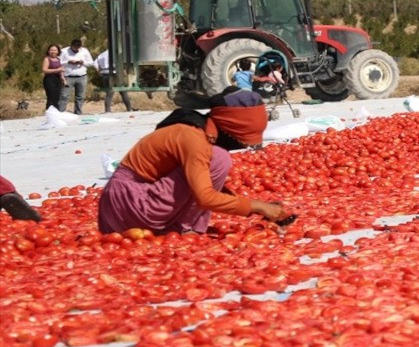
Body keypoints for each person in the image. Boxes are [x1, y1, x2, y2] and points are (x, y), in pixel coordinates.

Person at [97, 89, 289, 235]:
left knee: (214, 162)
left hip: (117, 209)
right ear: (227, 128)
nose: (239, 145)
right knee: (219, 159)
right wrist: (260, 207)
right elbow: (205, 197)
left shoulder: (195, 129)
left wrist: (253, 206)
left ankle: (181, 227)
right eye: (241, 140)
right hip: (133, 207)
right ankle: (185, 228)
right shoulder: (195, 140)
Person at [94, 48, 135, 112]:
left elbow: (95, 64)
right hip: (115, 73)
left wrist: (99, 72)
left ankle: (107, 110)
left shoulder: (102, 55)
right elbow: (122, 63)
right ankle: (129, 109)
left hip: (105, 74)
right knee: (123, 91)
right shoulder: (117, 54)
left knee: (109, 93)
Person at [59, 38, 93, 114]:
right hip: (68, 76)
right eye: (75, 47)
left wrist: (82, 62)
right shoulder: (64, 51)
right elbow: (58, 62)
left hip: (82, 76)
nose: (76, 49)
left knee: (80, 96)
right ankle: (61, 112)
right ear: (71, 46)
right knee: (64, 95)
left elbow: (91, 62)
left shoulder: (84, 51)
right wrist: (68, 62)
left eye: (78, 48)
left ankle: (78, 112)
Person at [40, 44, 65, 111]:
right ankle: (49, 113)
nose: (53, 51)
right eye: (51, 50)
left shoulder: (58, 59)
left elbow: (61, 69)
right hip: (49, 79)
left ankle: (56, 112)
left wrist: (63, 78)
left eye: (55, 50)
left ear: (58, 51)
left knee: (57, 97)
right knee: (51, 97)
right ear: (48, 51)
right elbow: (45, 70)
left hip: (58, 79)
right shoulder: (47, 59)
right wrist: (57, 70)